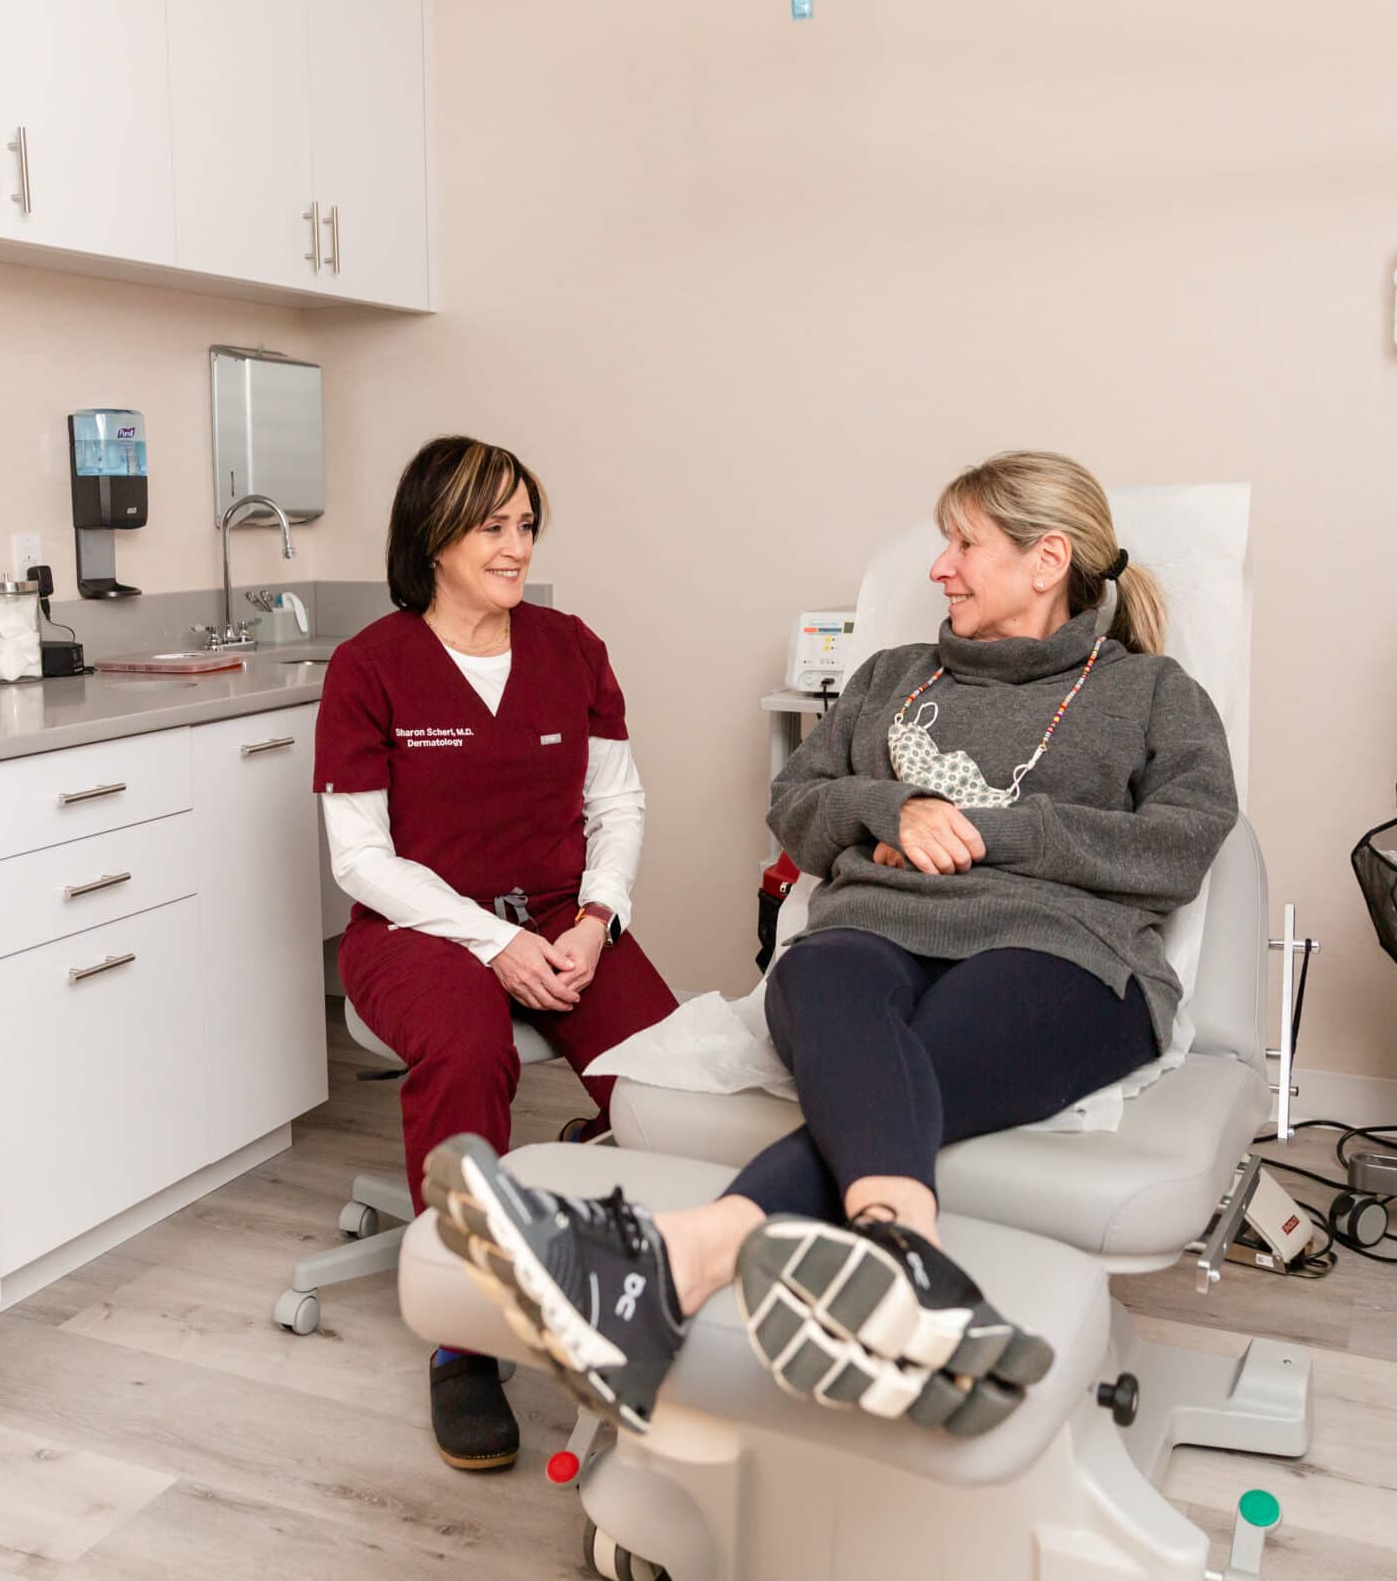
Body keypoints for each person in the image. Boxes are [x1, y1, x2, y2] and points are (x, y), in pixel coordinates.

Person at [423, 450, 1238, 1440]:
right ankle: (904, 1269)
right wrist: (892, 804)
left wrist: (993, 830)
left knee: (928, 1051)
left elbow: (1181, 844)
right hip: (874, 926)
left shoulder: (1151, 693)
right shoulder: (891, 678)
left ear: (1045, 559)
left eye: (964, 545)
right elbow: (796, 805)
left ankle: (673, 1266)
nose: (938, 568)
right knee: (820, 970)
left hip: (1063, 951)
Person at [312, 435, 679, 1472]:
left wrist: (595, 921)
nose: (516, 546)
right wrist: (497, 941)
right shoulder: (371, 667)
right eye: (493, 526)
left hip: (564, 915)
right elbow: (360, 859)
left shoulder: (570, 647)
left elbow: (617, 803)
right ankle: (461, 1334)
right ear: (433, 536)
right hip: (417, 928)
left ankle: (651, 1277)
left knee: (665, 1071)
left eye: (526, 525)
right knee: (469, 1054)